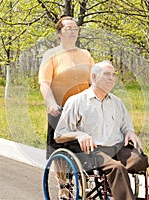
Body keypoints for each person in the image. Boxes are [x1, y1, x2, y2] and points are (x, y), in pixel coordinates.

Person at [54, 60, 149, 200]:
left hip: (116, 147)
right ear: (94, 77)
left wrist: (130, 132)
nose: (111, 78)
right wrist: (79, 135)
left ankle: (116, 186)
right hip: (93, 151)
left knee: (140, 161)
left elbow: (126, 127)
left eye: (113, 75)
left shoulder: (117, 103)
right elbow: (59, 134)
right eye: (106, 74)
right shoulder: (77, 101)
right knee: (117, 169)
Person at [38, 16, 94, 159]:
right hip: (60, 109)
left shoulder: (85, 55)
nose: (72, 32)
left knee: (85, 147)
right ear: (59, 33)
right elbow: (44, 83)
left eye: (75, 29)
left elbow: (93, 82)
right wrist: (51, 104)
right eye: (68, 29)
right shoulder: (51, 55)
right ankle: (62, 180)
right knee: (59, 148)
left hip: (83, 109)